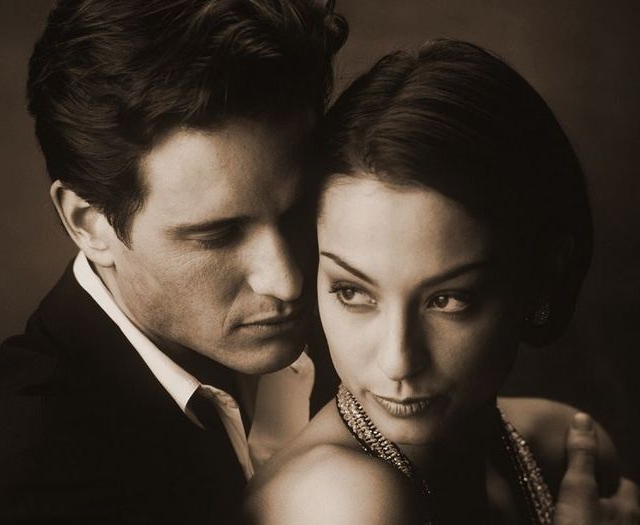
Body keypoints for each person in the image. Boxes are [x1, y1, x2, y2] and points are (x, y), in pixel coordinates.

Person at [0, 1, 347, 523]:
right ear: (89, 224)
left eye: (301, 212)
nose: (287, 281)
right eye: (217, 235)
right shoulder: (33, 487)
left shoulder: (370, 325)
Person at [245, 39, 639, 524]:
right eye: (352, 292)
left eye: (448, 299)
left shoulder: (561, 449)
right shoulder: (341, 503)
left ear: (544, 275)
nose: (398, 361)